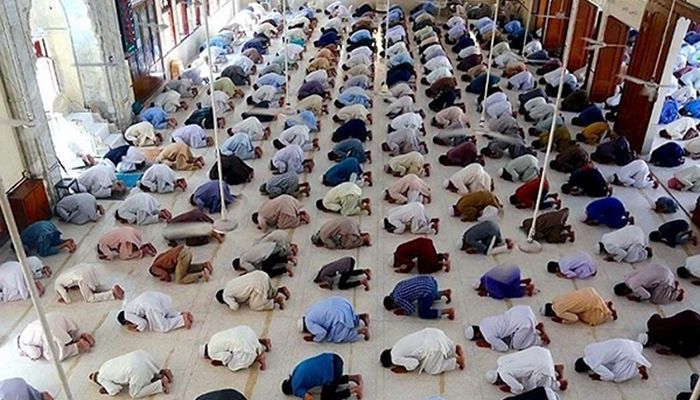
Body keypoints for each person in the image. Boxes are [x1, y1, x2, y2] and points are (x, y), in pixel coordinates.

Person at [90, 350, 173, 398]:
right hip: (141, 355)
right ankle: (160, 373)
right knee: (146, 371)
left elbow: (114, 390)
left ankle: (159, 384)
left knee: (134, 393)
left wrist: (108, 391)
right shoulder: (105, 365)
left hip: (135, 369)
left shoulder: (101, 378)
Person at [380, 328, 465, 375]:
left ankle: (457, 361)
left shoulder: (395, 359)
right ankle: (454, 349)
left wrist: (405, 368)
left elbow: (415, 363)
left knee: (431, 369)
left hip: (433, 346)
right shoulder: (396, 346)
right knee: (443, 345)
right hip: (433, 332)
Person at [485, 347, 567, 395]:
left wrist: (510, 389)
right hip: (540, 352)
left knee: (536, 388)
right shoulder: (501, 361)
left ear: (498, 381)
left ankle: (559, 383)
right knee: (526, 372)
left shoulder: (504, 375)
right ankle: (554, 367)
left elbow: (519, 388)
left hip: (542, 367)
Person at [466, 305, 549, 352]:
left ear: (477, 335)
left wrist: (489, 345)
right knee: (514, 331)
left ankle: (540, 338)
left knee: (517, 345)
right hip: (522, 311)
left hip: (523, 324)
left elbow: (504, 348)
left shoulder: (488, 337)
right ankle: (535, 326)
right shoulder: (483, 321)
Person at [281, 353, 364, 400]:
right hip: (333, 357)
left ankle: (354, 390)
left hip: (334, 371)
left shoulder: (296, 389)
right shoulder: (295, 371)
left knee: (326, 397)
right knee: (326, 378)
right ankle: (354, 377)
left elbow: (309, 398)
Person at [18, 312, 94, 361]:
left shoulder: (23, 343)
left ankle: (78, 346)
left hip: (46, 331)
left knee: (51, 355)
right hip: (56, 317)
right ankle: (77, 335)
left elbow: (36, 354)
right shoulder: (28, 328)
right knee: (63, 332)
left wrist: (27, 355)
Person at [298, 296, 370, 343]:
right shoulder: (308, 312)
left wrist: (314, 339)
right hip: (340, 303)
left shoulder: (309, 324)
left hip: (338, 315)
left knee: (338, 337)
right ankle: (361, 317)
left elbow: (322, 333)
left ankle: (362, 331)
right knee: (347, 317)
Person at [574, 339, 650, 382]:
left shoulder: (595, 365)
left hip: (626, 352)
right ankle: (635, 361)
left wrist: (599, 377)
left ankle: (638, 369)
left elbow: (610, 376)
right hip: (626, 343)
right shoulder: (588, 349)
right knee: (607, 363)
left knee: (617, 377)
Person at [200, 326, 271, 372]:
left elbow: (228, 357)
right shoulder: (213, 337)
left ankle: (258, 358)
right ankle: (261, 341)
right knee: (238, 341)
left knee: (232, 366)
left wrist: (221, 362)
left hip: (245, 346)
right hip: (247, 332)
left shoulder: (211, 353)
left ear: (206, 356)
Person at [383, 276, 455, 320]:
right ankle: (444, 292)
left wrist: (403, 312)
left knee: (423, 313)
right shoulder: (397, 287)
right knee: (422, 294)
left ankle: (447, 311)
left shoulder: (397, 299)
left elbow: (411, 310)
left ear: (393, 304)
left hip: (429, 292)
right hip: (431, 281)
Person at [117, 291, 193, 332]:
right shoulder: (128, 306)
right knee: (164, 312)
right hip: (151, 297)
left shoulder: (127, 315)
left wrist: (136, 329)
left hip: (149, 306)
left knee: (163, 327)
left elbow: (143, 323)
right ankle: (179, 313)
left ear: (125, 321)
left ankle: (182, 319)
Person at [216, 270, 290, 311]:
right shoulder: (228, 284)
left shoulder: (226, 296)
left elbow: (235, 307)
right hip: (260, 274)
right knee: (268, 291)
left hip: (257, 285)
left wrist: (229, 304)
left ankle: (276, 301)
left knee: (255, 305)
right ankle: (280, 290)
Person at [541, 287, 617, 326]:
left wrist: (562, 321)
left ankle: (609, 312)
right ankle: (604, 303)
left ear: (551, 313)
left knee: (591, 319)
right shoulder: (555, 299)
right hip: (589, 291)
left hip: (591, 301)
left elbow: (575, 318)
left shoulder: (559, 312)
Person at [614, 263, 684, 304]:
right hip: (661, 268)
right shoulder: (627, 277)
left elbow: (647, 296)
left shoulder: (633, 286)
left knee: (655, 299)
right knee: (649, 285)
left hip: (666, 277)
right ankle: (671, 284)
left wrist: (638, 299)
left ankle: (677, 293)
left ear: (625, 291)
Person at [54, 263, 124, 304]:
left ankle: (112, 294)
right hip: (86, 268)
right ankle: (112, 287)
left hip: (81, 277)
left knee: (90, 298)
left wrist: (66, 300)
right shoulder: (61, 276)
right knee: (94, 287)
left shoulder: (56, 284)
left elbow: (63, 292)